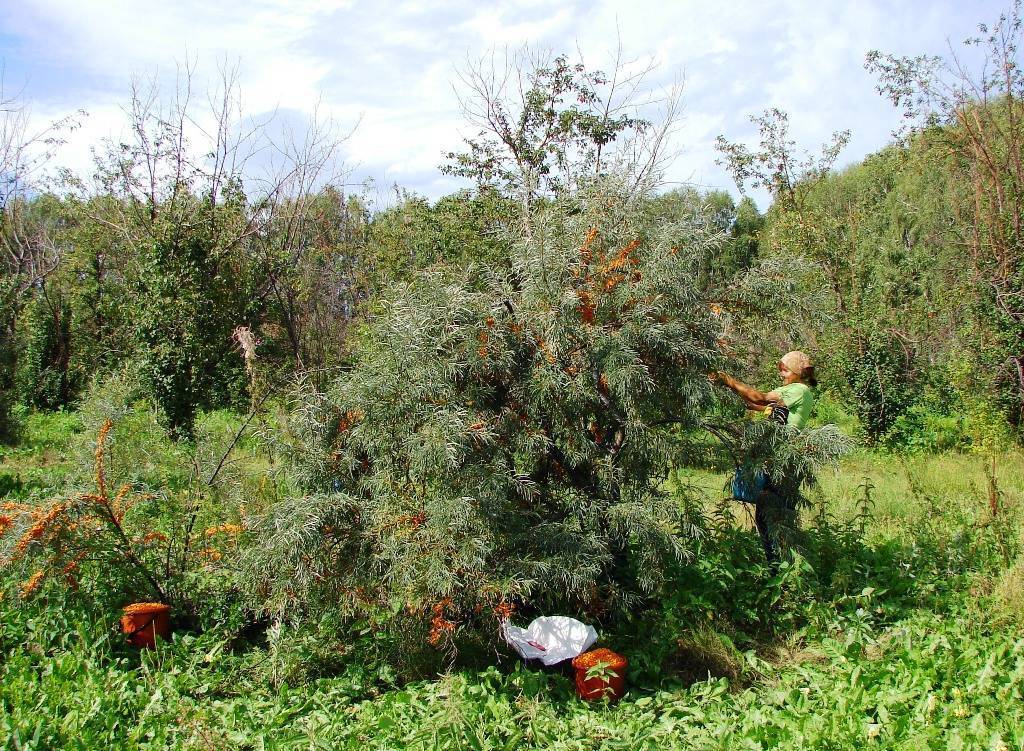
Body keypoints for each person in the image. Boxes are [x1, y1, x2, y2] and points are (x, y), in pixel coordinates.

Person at [711, 351, 817, 563]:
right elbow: (768, 408)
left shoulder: (798, 389)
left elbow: (759, 397)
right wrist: (750, 405)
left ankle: (782, 569)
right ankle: (780, 567)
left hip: (783, 463)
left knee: (774, 517)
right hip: (779, 460)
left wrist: (728, 380)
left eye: (786, 369)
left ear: (797, 372)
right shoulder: (794, 391)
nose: (781, 373)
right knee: (769, 516)